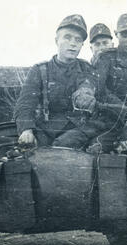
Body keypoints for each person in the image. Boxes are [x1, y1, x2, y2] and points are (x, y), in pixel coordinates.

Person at [14, 14, 112, 149]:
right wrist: (26, 129)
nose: (73, 43)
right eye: (67, 37)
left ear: (82, 45)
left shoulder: (88, 69)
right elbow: (25, 104)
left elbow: (102, 104)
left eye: (78, 40)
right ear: (56, 40)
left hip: (80, 132)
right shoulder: (40, 70)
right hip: (47, 130)